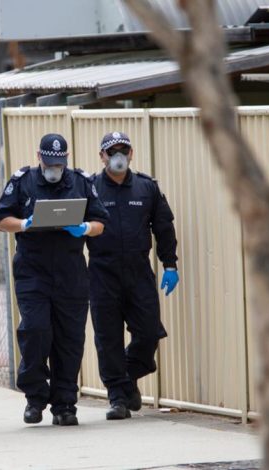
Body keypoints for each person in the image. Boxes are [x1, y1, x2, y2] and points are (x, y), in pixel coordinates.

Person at [0, 133, 109, 426]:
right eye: (49, 162)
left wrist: (83, 228)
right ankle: (34, 396)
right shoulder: (23, 181)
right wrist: (24, 224)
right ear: (39, 157)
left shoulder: (81, 182)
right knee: (35, 330)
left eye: (59, 163)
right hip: (33, 271)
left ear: (66, 160)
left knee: (70, 339)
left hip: (70, 271)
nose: (54, 168)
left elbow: (100, 223)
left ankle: (64, 404)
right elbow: (0, 219)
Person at [86, 131, 179, 420]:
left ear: (131, 154)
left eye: (123, 150)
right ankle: (118, 397)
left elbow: (163, 227)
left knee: (149, 331)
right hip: (103, 272)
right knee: (108, 336)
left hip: (139, 272)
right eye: (111, 151)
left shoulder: (146, 187)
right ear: (102, 156)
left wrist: (170, 264)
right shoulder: (89, 188)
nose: (118, 156)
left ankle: (126, 378)